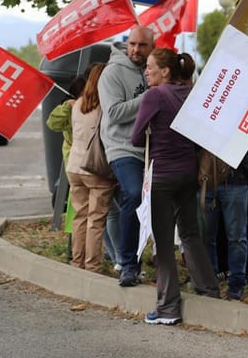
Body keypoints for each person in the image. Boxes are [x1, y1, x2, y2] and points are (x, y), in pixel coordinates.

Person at [131, 48, 219, 325]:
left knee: (164, 243)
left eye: (150, 66)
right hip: (188, 173)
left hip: (163, 177)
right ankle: (209, 290)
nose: (146, 71)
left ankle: (168, 308)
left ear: (165, 70)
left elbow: (135, 137)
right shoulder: (190, 92)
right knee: (191, 234)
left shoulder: (154, 96)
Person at [98, 26, 155, 287]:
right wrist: (150, 98)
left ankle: (157, 260)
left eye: (142, 45)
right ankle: (127, 264)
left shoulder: (152, 70)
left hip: (152, 149)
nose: (135, 49)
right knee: (133, 193)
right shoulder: (112, 72)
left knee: (158, 202)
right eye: (132, 44)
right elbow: (115, 114)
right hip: (122, 147)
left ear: (151, 47)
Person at [66, 63, 116, 273]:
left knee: (80, 216)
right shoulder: (104, 107)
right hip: (95, 170)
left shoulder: (77, 104)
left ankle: (77, 262)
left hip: (74, 168)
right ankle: (92, 265)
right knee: (95, 219)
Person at [201, 149, 248, 301]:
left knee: (236, 237)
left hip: (236, 180)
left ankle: (237, 283)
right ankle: (209, 282)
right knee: (205, 236)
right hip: (206, 178)